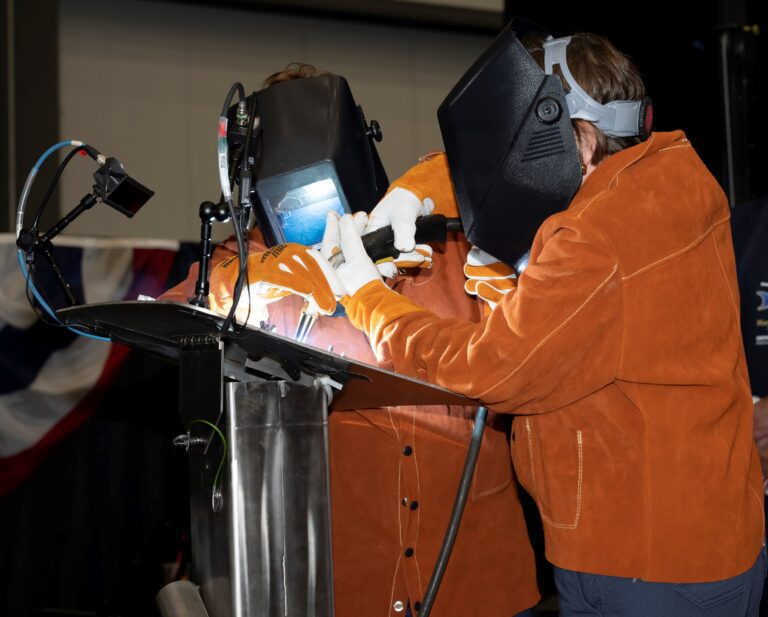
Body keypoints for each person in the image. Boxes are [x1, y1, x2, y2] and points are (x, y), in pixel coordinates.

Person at [246, 26, 767, 617]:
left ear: (579, 140)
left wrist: (368, 296)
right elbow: (500, 171)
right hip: (716, 537)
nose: (515, 169)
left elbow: (490, 369)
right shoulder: (679, 175)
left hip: (641, 562)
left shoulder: (591, 238)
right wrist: (417, 193)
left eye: (527, 149)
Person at [161, 64, 540, 617]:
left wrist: (428, 187)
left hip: (480, 573)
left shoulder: (442, 236)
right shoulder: (249, 259)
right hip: (353, 577)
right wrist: (285, 269)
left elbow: (508, 174)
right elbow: (182, 306)